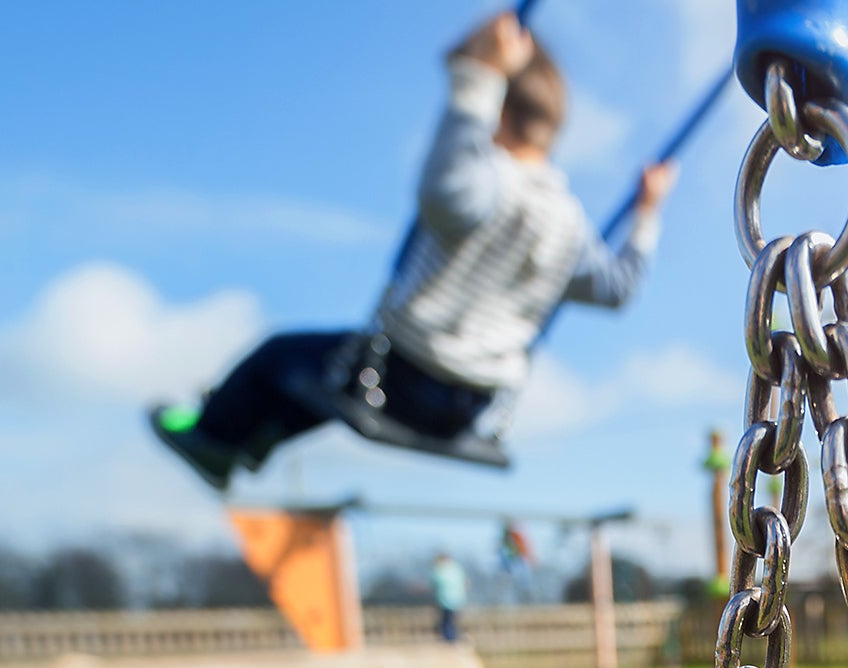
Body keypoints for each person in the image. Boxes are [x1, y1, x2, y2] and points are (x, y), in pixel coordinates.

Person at [149, 11, 679, 492]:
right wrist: (648, 213)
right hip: (470, 406)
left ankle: (212, 440)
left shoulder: (487, 181)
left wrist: (478, 79)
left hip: (401, 375)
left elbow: (445, 189)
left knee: (276, 358)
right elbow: (619, 288)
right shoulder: (572, 226)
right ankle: (254, 439)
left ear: (494, 109)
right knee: (320, 379)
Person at [431, 553, 468, 643]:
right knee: (452, 621)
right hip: (458, 600)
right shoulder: (456, 568)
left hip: (445, 600)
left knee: (446, 622)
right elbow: (466, 583)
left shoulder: (439, 570)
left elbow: (435, 583)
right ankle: (452, 639)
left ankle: (449, 640)